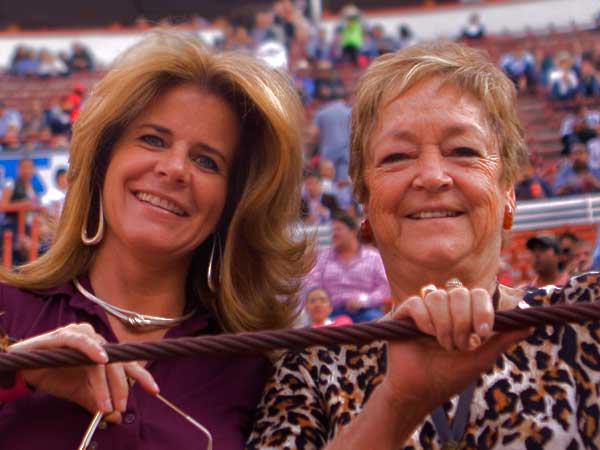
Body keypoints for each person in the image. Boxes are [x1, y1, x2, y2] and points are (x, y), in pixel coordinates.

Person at [248, 42, 600, 449]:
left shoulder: (585, 319)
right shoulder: (311, 368)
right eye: (397, 156)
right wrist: (398, 404)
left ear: (508, 192)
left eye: (463, 151)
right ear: (364, 203)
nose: (432, 177)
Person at [0, 30, 310, 449]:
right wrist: (17, 373)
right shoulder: (7, 310)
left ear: (232, 204)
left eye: (206, 160)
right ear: (102, 160)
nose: (175, 169)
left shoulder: (253, 366)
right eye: (153, 139)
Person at [303, 212, 389, 322]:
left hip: (366, 311)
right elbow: (312, 284)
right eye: (332, 231)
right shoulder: (324, 257)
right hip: (332, 312)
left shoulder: (373, 257)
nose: (334, 234)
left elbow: (385, 288)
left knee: (377, 321)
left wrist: (364, 300)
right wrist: (322, 301)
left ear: (353, 232)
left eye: (338, 230)